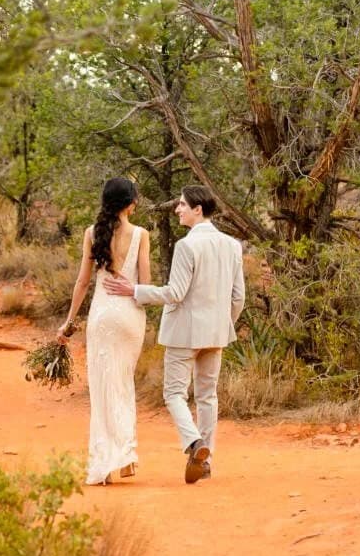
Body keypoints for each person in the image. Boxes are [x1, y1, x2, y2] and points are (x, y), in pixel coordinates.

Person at [102, 185, 244, 484]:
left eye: (182, 205)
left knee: (174, 394)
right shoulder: (232, 245)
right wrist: (223, 324)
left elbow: (175, 293)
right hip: (216, 333)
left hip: (183, 333)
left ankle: (194, 443)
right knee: (207, 396)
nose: (177, 209)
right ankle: (205, 463)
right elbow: (238, 297)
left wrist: (135, 290)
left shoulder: (186, 246)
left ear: (197, 209)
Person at [57, 178, 150, 485]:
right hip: (129, 315)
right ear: (130, 203)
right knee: (123, 383)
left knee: (102, 389)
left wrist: (69, 322)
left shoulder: (92, 233)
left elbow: (83, 282)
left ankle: (106, 463)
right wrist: (132, 290)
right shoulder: (141, 235)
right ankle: (126, 455)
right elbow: (145, 284)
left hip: (102, 315)